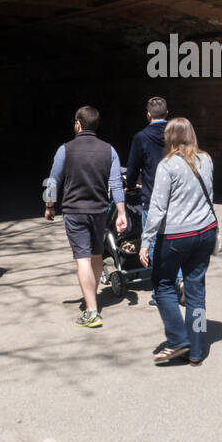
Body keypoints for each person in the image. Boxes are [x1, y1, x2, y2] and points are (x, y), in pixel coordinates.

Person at [139, 118, 217, 365]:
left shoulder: (168, 165)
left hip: (175, 236)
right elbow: (210, 195)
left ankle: (177, 338)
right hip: (205, 231)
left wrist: (145, 240)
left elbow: (158, 207)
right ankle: (196, 348)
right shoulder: (207, 159)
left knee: (163, 285)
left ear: (169, 137)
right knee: (196, 290)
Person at [45, 106, 127, 329]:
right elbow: (116, 183)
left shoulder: (65, 149)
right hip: (100, 210)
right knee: (96, 254)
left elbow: (53, 180)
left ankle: (91, 311)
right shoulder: (109, 150)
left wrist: (49, 205)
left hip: (74, 211)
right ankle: (93, 295)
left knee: (82, 258)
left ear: (78, 124)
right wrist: (121, 212)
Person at [125, 96, 169, 302]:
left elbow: (133, 167)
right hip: (176, 196)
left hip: (152, 195)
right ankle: (178, 280)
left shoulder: (141, 137)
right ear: (167, 114)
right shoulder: (176, 133)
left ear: (148, 114)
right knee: (173, 239)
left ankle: (159, 291)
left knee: (153, 242)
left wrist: (131, 185)